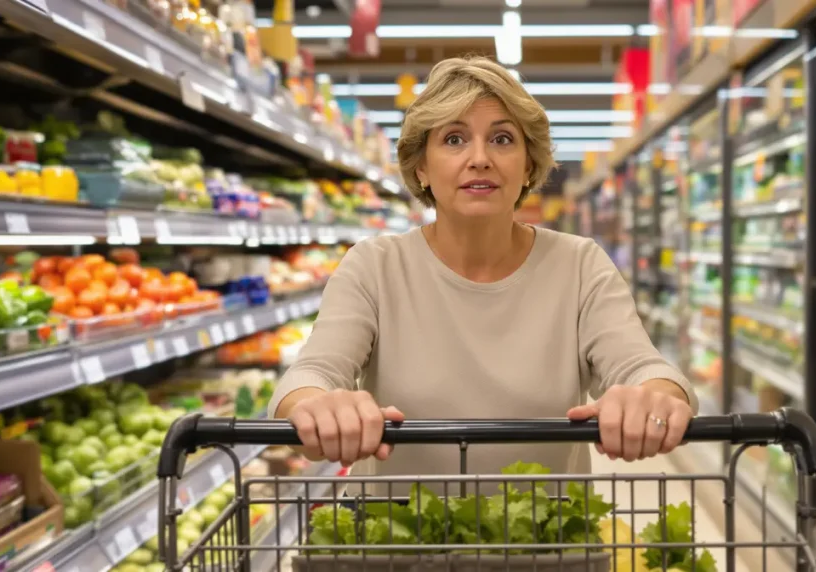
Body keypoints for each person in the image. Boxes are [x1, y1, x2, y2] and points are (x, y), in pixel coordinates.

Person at [269, 56, 696, 481]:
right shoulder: (374, 266)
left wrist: (654, 397)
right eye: (454, 139)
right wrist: (316, 405)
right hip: (395, 522)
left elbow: (642, 367)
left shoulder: (579, 265)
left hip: (546, 523)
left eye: (502, 139)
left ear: (528, 166)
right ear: (422, 167)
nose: (479, 158)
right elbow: (313, 372)